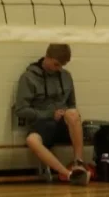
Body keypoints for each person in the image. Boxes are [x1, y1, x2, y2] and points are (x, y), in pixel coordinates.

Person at [14, 43, 89, 185]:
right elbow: (21, 110)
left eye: (62, 65)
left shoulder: (66, 76)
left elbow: (72, 104)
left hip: (63, 124)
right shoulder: (28, 77)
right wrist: (49, 114)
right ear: (47, 58)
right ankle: (68, 174)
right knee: (31, 140)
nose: (58, 68)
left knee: (73, 113)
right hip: (42, 124)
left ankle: (79, 163)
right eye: (56, 64)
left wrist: (66, 113)